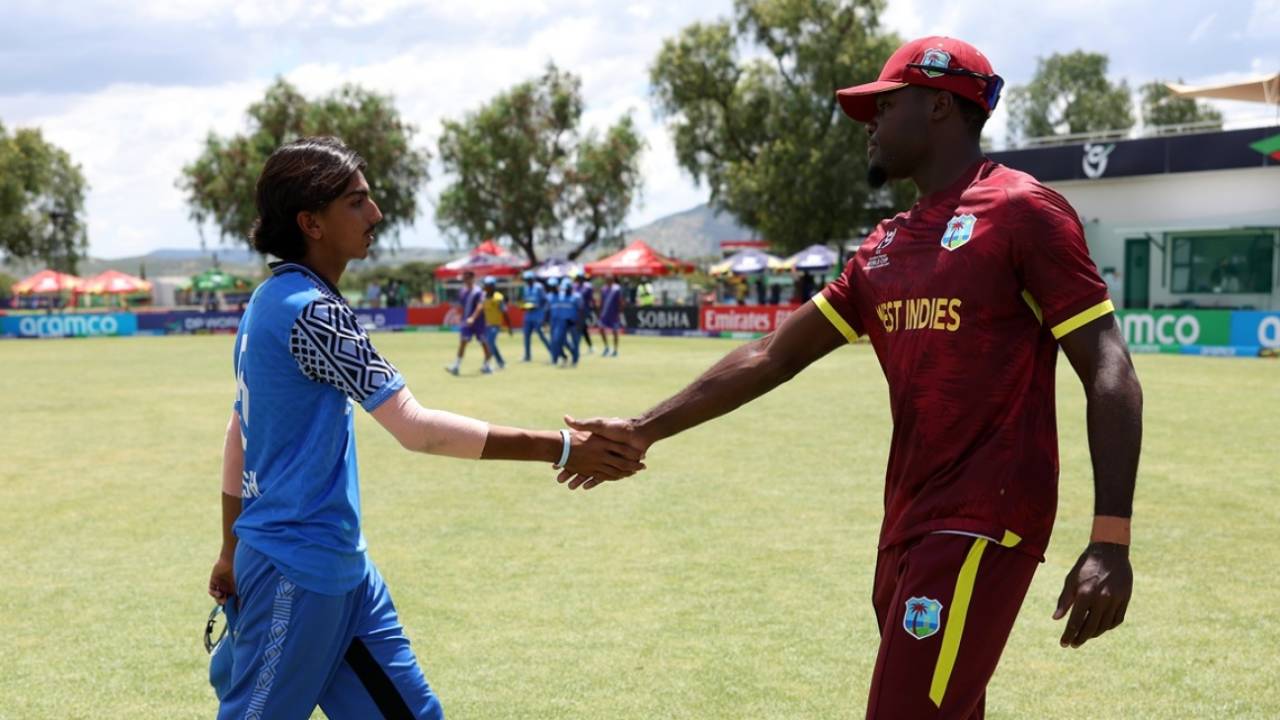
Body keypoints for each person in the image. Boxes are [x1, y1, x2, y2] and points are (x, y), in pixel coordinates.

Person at [561, 37, 1142, 720]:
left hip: (984, 520)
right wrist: (644, 428)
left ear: (938, 107)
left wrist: (1111, 538)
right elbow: (772, 355)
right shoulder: (884, 245)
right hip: (907, 524)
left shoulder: (1021, 211)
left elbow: (1108, 364)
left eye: (883, 105)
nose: (868, 123)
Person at [206, 137, 644, 720]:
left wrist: (231, 546)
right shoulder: (312, 311)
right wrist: (562, 447)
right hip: (296, 570)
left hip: (338, 567)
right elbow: (416, 429)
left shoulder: (271, 299)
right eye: (356, 202)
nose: (377, 215)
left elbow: (239, 428)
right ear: (310, 221)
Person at [445, 270, 491, 375]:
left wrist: (473, 318)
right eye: (464, 278)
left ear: (472, 278)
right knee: (463, 342)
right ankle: (456, 366)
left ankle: (487, 365)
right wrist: (461, 318)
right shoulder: (462, 291)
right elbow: (462, 306)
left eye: (466, 278)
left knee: (484, 343)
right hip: (466, 322)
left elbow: (480, 306)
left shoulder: (479, 291)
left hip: (478, 322)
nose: (465, 280)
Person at [548, 276, 583, 367]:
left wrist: (580, 323)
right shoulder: (561, 296)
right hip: (563, 322)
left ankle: (575, 360)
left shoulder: (576, 296)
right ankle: (561, 358)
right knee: (559, 341)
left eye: (567, 288)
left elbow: (580, 311)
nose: (565, 290)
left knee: (575, 342)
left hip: (574, 323)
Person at [518, 270, 551, 362]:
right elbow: (525, 300)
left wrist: (541, 310)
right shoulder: (526, 288)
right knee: (526, 336)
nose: (527, 281)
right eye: (526, 280)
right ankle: (527, 356)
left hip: (538, 315)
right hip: (528, 315)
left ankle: (553, 352)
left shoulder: (539, 287)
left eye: (529, 279)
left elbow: (545, 300)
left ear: (533, 279)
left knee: (542, 336)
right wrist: (524, 306)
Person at [480, 276, 511, 371]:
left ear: (493, 286)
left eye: (488, 286)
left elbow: (504, 312)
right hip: (486, 325)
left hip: (495, 325)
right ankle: (501, 362)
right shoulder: (483, 297)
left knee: (490, 343)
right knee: (491, 344)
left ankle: (487, 364)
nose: (486, 287)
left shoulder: (498, 298)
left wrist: (509, 326)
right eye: (485, 285)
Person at [596, 274, 625, 357]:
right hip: (604, 314)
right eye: (606, 279)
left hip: (614, 314)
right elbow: (601, 301)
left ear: (612, 280)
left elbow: (620, 301)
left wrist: (619, 312)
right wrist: (599, 312)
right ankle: (606, 347)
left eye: (609, 279)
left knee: (615, 332)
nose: (607, 281)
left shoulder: (617, 289)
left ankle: (615, 350)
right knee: (601, 330)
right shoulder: (603, 289)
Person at [573, 273, 597, 354]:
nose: (578, 280)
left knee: (580, 329)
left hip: (584, 311)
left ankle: (576, 347)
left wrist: (592, 308)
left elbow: (591, 299)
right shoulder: (575, 286)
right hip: (575, 310)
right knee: (583, 329)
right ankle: (590, 346)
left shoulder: (587, 287)